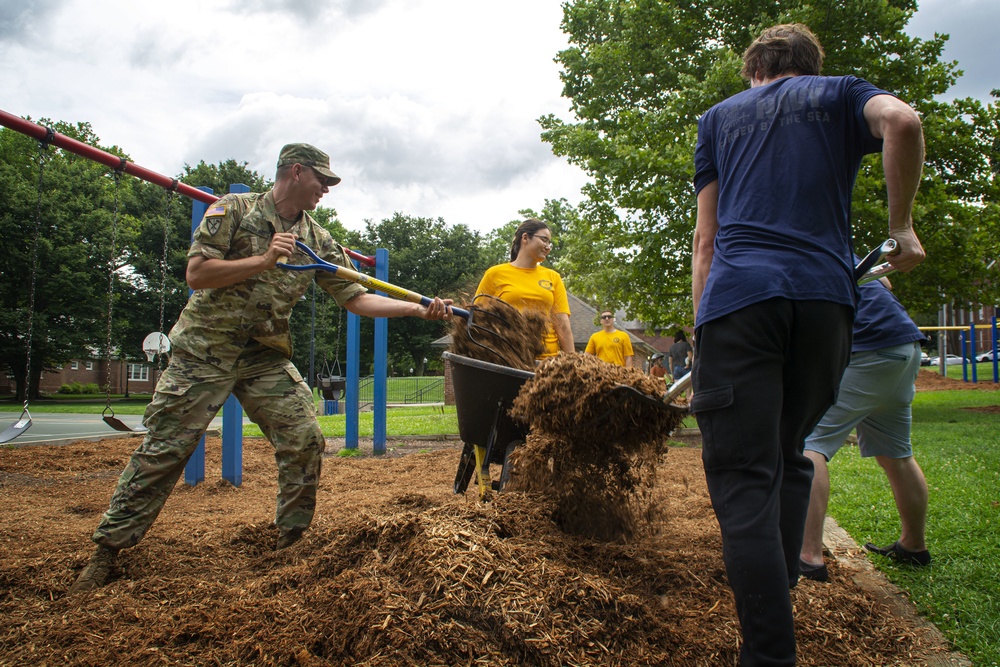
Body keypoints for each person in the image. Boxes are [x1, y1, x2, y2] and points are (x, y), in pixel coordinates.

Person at [70, 143, 453, 594]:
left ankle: (291, 541)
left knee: (305, 439)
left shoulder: (318, 240)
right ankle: (107, 552)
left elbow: (355, 297)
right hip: (205, 351)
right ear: (295, 172)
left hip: (263, 357)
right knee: (164, 449)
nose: (326, 191)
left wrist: (415, 309)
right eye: (321, 181)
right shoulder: (234, 210)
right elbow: (197, 274)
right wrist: (265, 260)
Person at [690, 23, 925, 666]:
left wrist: (701, 333)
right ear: (805, 64)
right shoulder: (841, 94)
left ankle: (768, 654)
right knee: (791, 454)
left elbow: (706, 242)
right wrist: (900, 227)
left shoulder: (717, 121)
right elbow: (902, 122)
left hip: (741, 302)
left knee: (741, 476)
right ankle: (780, 579)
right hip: (826, 304)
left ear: (757, 66)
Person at [799, 277, 931, 582]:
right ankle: (913, 546)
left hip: (867, 349)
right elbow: (885, 282)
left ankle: (807, 557)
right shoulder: (839, 247)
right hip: (905, 348)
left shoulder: (798, 254)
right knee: (896, 453)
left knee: (808, 444)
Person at [475, 219, 573, 359]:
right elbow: (478, 317)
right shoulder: (495, 274)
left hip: (547, 361)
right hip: (508, 358)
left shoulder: (553, 277)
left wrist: (574, 362)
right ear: (525, 237)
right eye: (544, 240)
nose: (548, 247)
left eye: (549, 243)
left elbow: (562, 323)